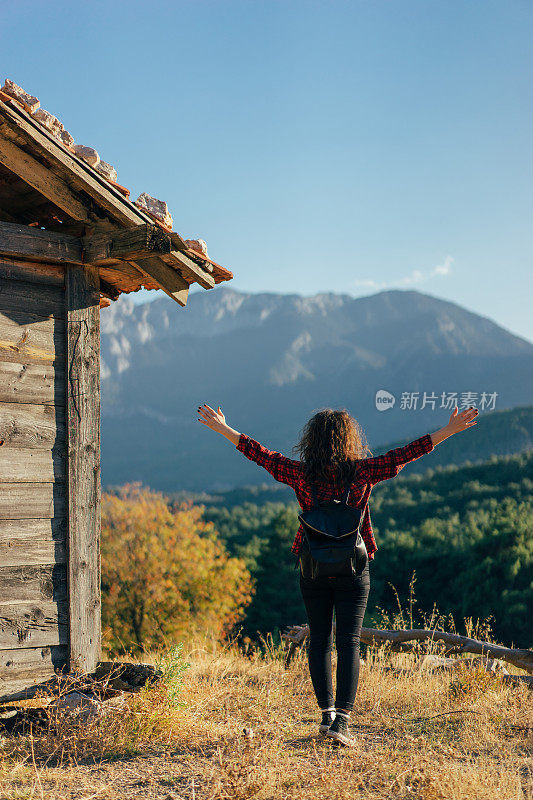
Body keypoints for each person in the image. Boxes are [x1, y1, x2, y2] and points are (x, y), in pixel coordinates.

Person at [196, 403, 478, 746]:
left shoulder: (300, 474)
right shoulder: (364, 471)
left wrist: (225, 429)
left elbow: (261, 454)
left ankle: (326, 715)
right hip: (354, 565)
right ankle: (342, 722)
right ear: (349, 440)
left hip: (312, 565)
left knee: (319, 639)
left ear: (310, 442)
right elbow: (407, 453)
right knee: (349, 642)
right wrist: (449, 430)